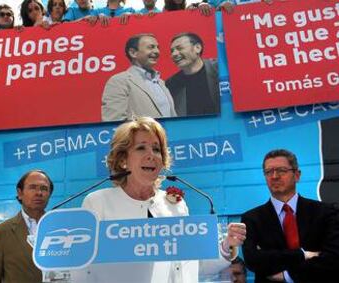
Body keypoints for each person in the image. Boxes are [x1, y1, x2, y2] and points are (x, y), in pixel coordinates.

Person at [71, 116, 246, 282]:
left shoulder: (176, 205)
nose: (152, 155)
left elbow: (192, 264)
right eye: (141, 148)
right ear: (123, 159)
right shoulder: (98, 202)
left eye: (156, 149)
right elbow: (84, 268)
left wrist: (226, 246)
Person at [241, 149, 339, 282]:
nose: (274, 176)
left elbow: (333, 258)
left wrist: (288, 275)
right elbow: (253, 260)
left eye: (281, 170)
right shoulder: (251, 219)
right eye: (269, 172)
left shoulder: (325, 212)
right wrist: (303, 254)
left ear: (297, 175)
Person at [0, 169, 54, 282]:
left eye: (44, 188)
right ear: (20, 193)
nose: (39, 193)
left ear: (49, 195)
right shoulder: (0, 232)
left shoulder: (60, 228)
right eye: (33, 187)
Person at [101, 33, 177, 121]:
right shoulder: (119, 81)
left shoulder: (161, 83)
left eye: (157, 47)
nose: (157, 51)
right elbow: (114, 122)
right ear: (133, 53)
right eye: (151, 47)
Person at [166, 32, 220, 116]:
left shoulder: (219, 69)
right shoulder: (171, 84)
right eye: (172, 51)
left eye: (179, 48)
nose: (174, 54)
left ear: (197, 48)